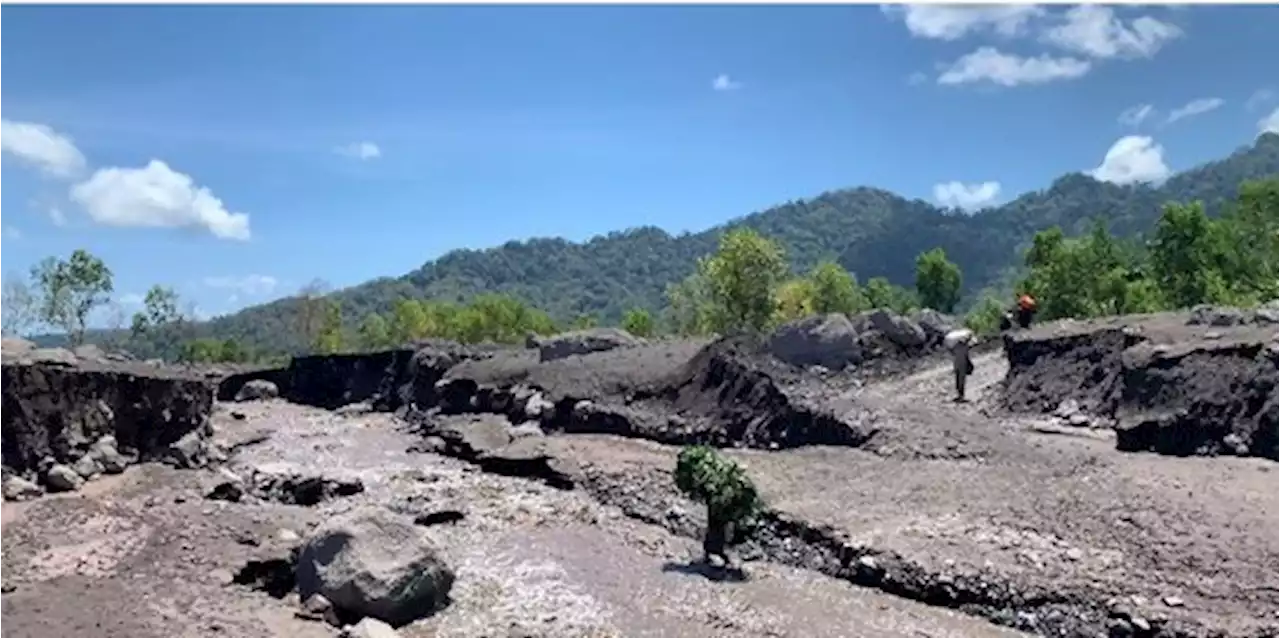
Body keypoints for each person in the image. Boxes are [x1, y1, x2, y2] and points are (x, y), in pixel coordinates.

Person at [944, 328, 976, 402]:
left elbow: (951, 351)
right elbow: (966, 354)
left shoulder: (954, 344)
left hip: (956, 361)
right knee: (961, 377)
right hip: (961, 361)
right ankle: (961, 396)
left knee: (958, 376)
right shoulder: (965, 345)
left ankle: (959, 395)